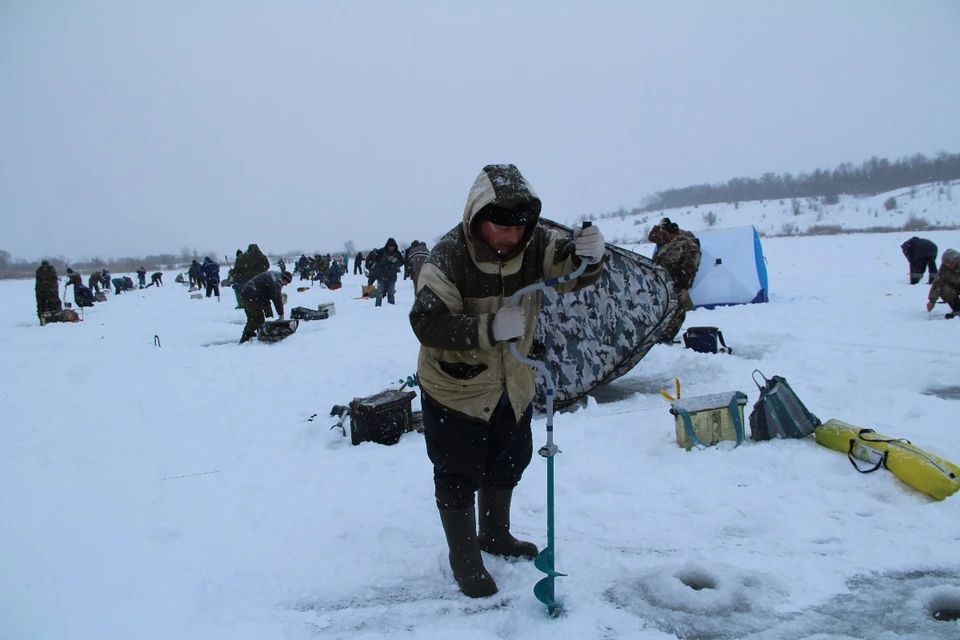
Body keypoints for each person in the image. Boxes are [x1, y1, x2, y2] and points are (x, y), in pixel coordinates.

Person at [408, 164, 605, 598]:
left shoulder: (536, 246)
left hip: (512, 382)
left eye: (519, 227)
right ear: (477, 218)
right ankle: (464, 556)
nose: (511, 237)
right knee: (458, 471)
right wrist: (488, 328)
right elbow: (426, 324)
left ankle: (495, 533)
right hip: (454, 389)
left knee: (510, 458)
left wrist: (591, 255)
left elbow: (574, 272)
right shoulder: (447, 259)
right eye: (500, 226)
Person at [649, 219, 702, 344]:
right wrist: (685, 288)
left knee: (662, 308)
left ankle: (656, 334)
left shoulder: (668, 245)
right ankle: (665, 338)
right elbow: (690, 268)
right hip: (672, 281)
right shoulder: (692, 248)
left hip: (657, 280)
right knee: (678, 311)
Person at [239, 270, 293, 344]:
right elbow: (277, 298)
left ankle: (256, 332)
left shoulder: (275, 276)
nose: (286, 285)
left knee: (257, 318)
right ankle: (246, 336)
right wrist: (281, 313)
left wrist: (269, 314)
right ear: (285, 279)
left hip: (250, 293)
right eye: (287, 283)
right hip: (250, 295)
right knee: (256, 318)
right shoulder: (277, 281)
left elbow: (266, 296)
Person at [925, 249, 960, 319]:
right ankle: (957, 308)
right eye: (947, 263)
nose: (948, 265)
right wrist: (932, 301)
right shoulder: (944, 268)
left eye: (950, 263)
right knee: (944, 288)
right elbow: (937, 283)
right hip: (956, 287)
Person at [371, 238, 404, 307]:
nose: (391, 248)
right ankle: (377, 307)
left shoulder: (397, 253)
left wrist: (394, 260)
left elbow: (401, 263)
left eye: (393, 246)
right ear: (387, 246)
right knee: (379, 292)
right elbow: (378, 262)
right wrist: (386, 259)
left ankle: (391, 307)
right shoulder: (381, 252)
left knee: (391, 292)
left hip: (392, 276)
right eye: (390, 246)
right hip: (381, 275)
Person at [35, 260, 63, 325]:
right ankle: (55, 317)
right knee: (54, 304)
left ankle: (43, 320)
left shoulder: (39, 270)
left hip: (41, 292)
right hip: (52, 291)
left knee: (41, 306)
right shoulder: (51, 269)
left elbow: (39, 280)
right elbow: (54, 278)